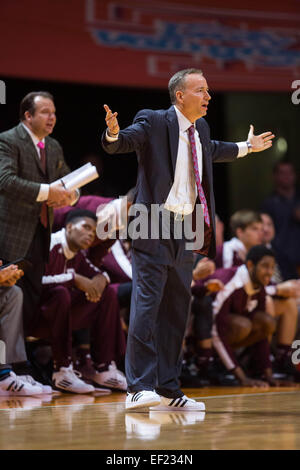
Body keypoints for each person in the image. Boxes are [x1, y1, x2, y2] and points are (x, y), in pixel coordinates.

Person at [102, 68, 275, 411]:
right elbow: (125, 141)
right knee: (147, 304)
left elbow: (210, 149)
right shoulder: (153, 120)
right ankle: (138, 386)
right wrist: (112, 133)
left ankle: (168, 388)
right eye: (201, 90)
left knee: (177, 308)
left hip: (187, 225)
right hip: (151, 220)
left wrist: (246, 147)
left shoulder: (201, 129)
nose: (209, 96)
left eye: (208, 91)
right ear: (180, 96)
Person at [0, 91, 78, 334]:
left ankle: (21, 360)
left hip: (41, 232)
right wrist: (48, 192)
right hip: (11, 232)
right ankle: (7, 364)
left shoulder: (53, 146)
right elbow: (5, 180)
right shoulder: (8, 140)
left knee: (32, 296)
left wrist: (71, 196)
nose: (52, 117)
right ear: (27, 115)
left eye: (54, 112)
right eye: (45, 112)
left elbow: (68, 180)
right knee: (11, 295)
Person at [30, 208, 127, 394]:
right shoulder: (49, 244)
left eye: (93, 231)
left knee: (107, 294)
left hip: (58, 317)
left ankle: (103, 368)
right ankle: (62, 370)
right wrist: (73, 278)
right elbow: (35, 284)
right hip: (34, 315)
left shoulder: (78, 254)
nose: (90, 234)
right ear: (69, 227)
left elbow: (95, 273)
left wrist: (101, 279)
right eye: (86, 227)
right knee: (60, 293)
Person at [200, 245, 287, 387]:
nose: (270, 272)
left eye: (272, 267)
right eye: (265, 266)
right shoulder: (229, 282)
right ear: (250, 264)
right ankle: (219, 364)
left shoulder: (259, 284)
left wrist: (268, 375)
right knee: (243, 325)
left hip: (225, 332)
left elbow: (263, 336)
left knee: (267, 323)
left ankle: (253, 369)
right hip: (203, 333)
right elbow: (215, 331)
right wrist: (241, 378)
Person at [261, 159, 300, 280]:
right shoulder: (269, 203)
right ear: (275, 176)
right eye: (283, 173)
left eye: (290, 173)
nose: (287, 177)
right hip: (282, 261)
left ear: (295, 175)